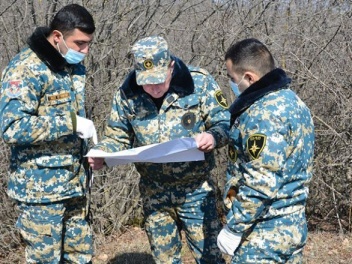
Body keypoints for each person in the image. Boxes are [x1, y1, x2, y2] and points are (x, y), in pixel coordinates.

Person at [88, 36, 230, 263]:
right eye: (146, 81)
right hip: (155, 193)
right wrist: (102, 154)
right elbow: (117, 136)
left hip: (196, 190)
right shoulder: (126, 95)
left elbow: (224, 124)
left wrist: (213, 137)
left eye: (158, 80)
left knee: (210, 258)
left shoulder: (199, 83)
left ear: (171, 67)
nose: (153, 88)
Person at [0, 4, 97, 263]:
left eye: (88, 44)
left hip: (74, 185)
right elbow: (12, 127)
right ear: (57, 37)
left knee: (80, 257)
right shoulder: (26, 68)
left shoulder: (71, 67)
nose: (85, 51)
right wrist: (71, 123)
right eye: (80, 44)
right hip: (41, 193)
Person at [217, 38, 315, 263]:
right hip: (291, 226)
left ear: (249, 77)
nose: (232, 84)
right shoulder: (293, 102)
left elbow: (260, 182)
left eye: (233, 79)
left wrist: (234, 227)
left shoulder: (263, 114)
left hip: (263, 236)